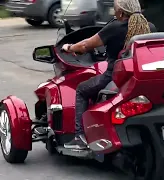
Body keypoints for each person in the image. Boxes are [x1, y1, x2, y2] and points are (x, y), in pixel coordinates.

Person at [62, 0, 151, 149]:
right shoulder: (149, 27)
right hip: (142, 78)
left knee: (82, 90)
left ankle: (79, 137)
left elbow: (85, 45)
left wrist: (69, 47)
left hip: (115, 79)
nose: (114, 13)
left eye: (114, 10)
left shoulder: (115, 27)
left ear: (121, 13)